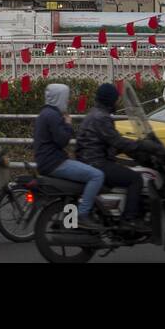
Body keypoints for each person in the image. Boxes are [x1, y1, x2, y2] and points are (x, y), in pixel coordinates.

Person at [77, 83, 164, 229]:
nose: (117, 102)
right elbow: (117, 141)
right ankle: (129, 219)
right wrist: (143, 145)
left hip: (92, 159)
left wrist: (131, 150)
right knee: (135, 179)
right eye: (116, 99)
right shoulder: (102, 118)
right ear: (110, 100)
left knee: (128, 170)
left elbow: (108, 142)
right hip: (97, 162)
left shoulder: (96, 114)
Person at [34, 83, 105, 228]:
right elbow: (62, 140)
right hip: (54, 163)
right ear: (59, 98)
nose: (67, 102)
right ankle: (83, 214)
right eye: (66, 98)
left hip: (48, 161)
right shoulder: (53, 115)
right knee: (96, 175)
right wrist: (68, 124)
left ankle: (70, 217)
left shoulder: (45, 113)